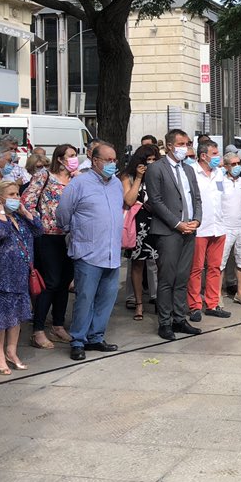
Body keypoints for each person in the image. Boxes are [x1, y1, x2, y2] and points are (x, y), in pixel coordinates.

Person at [56, 142, 124, 360]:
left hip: (111, 252)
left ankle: (96, 337)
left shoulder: (116, 184)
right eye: (108, 160)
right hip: (88, 252)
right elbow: (63, 214)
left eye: (115, 160)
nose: (112, 164)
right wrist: (75, 233)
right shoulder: (79, 183)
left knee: (107, 297)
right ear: (95, 161)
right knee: (85, 298)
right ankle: (78, 340)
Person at [144, 129, 203, 341]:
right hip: (169, 231)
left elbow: (196, 197)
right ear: (169, 145)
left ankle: (179, 318)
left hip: (190, 230)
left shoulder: (188, 170)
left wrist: (196, 219)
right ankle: (165, 322)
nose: (185, 148)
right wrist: (177, 224)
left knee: (182, 277)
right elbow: (156, 201)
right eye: (181, 144)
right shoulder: (157, 169)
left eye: (187, 144)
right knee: (167, 278)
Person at [0, 180, 43, 374]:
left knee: (17, 315)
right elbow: (0, 233)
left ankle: (12, 351)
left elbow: (39, 230)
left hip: (20, 274)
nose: (17, 198)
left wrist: (26, 212)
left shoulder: (20, 217)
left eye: (17, 194)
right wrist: (0, 213)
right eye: (12, 195)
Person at [23, 144, 80, 348]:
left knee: (65, 281)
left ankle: (58, 324)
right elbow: (27, 201)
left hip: (71, 236)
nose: (75, 159)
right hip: (49, 236)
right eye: (71, 156)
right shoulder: (44, 176)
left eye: (76, 155)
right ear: (60, 159)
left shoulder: (77, 178)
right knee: (51, 282)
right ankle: (38, 329)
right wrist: (39, 220)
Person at [188, 140, 230, 321]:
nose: (217, 157)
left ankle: (212, 303)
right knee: (196, 268)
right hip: (200, 227)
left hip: (218, 226)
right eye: (214, 154)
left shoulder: (219, 173)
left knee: (215, 267)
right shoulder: (192, 172)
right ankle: (194, 305)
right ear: (203, 155)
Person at [119, 144, 160, 323]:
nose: (150, 163)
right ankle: (138, 303)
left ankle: (160, 299)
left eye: (153, 160)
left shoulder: (160, 175)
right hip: (138, 225)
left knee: (160, 264)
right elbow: (128, 199)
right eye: (147, 160)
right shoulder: (128, 176)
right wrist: (139, 177)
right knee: (137, 265)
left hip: (158, 222)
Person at [218, 151, 241, 306]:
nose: (237, 166)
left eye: (239, 163)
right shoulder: (220, 182)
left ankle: (240, 292)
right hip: (224, 226)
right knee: (221, 261)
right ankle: (217, 293)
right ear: (226, 166)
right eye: (233, 164)